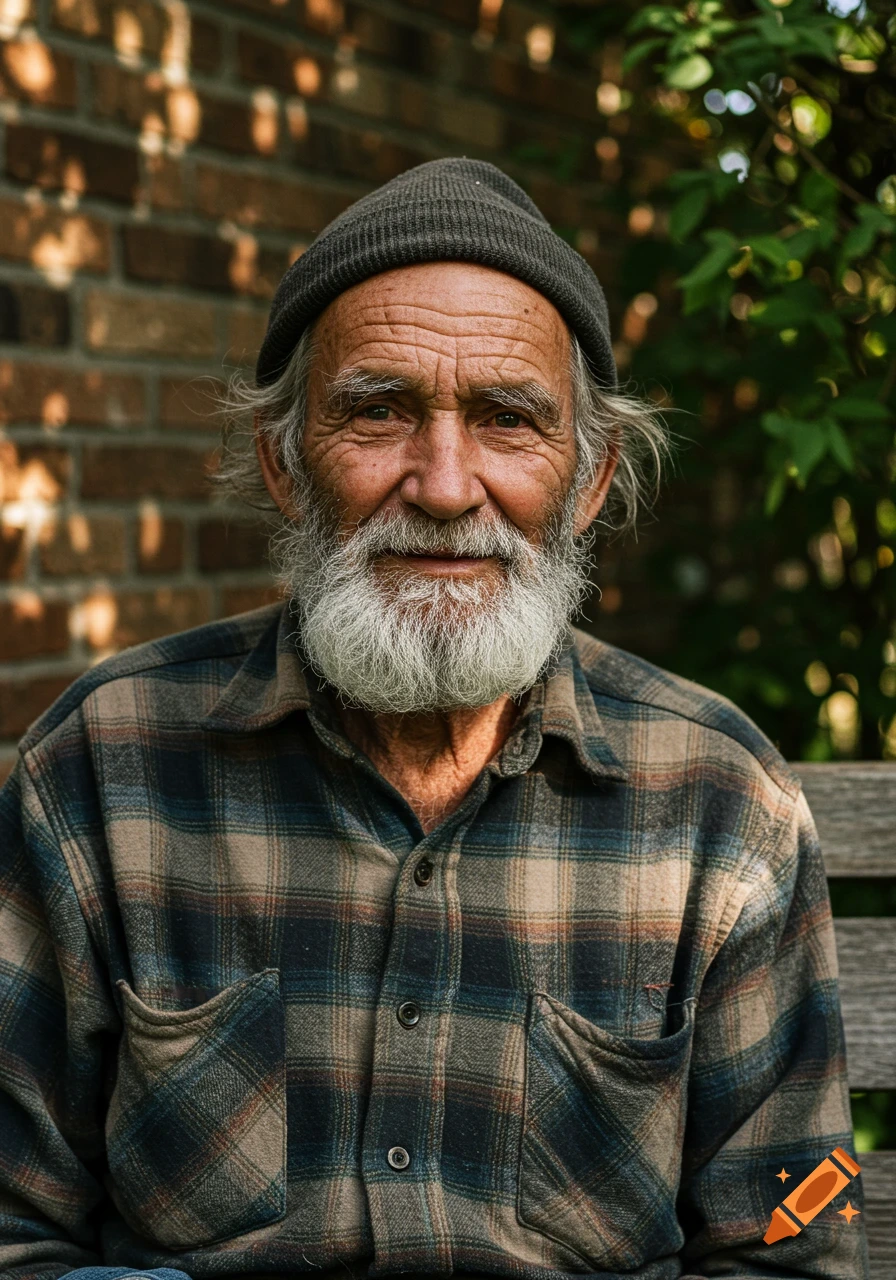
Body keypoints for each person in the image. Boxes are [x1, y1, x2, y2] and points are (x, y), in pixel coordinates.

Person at [0, 158, 869, 1280]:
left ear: (590, 479)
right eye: (378, 411)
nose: (446, 483)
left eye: (507, 420)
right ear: (283, 461)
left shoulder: (714, 800)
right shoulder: (104, 766)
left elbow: (785, 1253)